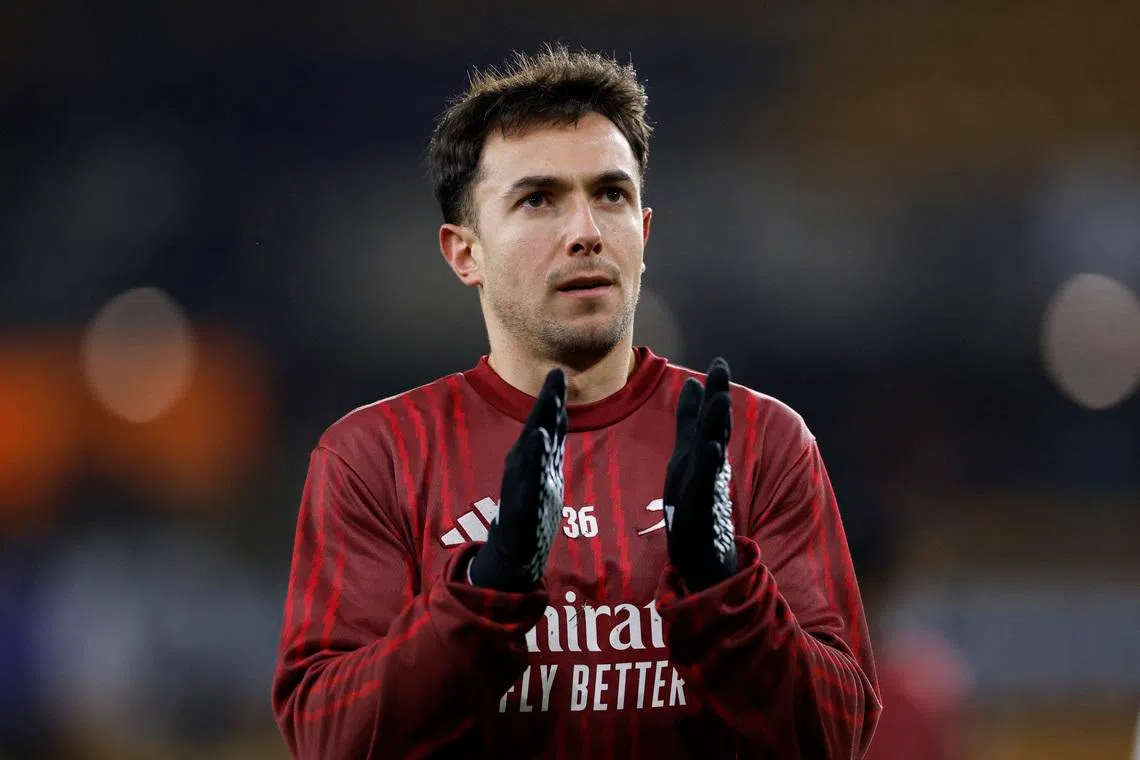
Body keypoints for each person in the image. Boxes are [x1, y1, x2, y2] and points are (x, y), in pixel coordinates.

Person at [271, 44, 881, 759]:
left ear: (644, 233)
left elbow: (837, 735)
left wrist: (725, 588)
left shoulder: (761, 441)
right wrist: (485, 591)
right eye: (538, 200)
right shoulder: (374, 456)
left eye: (611, 194)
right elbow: (328, 738)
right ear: (464, 252)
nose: (587, 231)